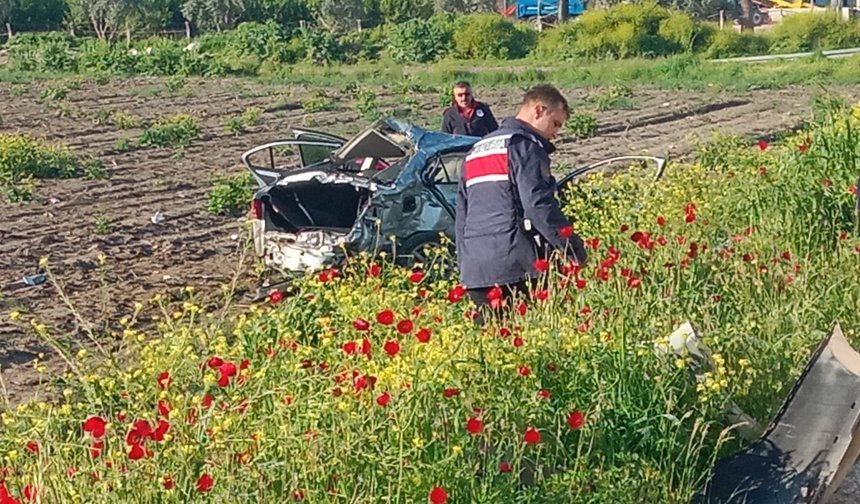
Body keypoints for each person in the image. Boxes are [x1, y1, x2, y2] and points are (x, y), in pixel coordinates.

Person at [455, 84, 587, 314]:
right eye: (555, 123)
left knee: (491, 343)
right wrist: (573, 251)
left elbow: (462, 215)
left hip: (476, 268)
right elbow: (537, 205)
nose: (555, 133)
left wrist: (464, 265)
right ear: (538, 111)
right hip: (515, 265)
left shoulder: (476, 150)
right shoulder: (524, 146)